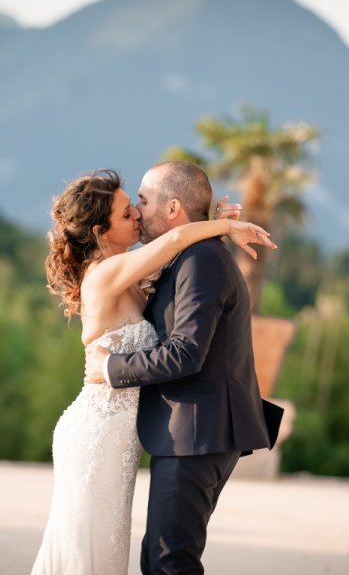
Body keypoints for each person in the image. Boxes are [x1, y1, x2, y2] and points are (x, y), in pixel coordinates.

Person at [31, 168, 276, 575]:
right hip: (99, 432)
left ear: (174, 207)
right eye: (130, 211)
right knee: (112, 553)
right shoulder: (110, 274)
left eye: (140, 204)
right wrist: (222, 225)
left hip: (172, 433)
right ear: (100, 231)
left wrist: (213, 226)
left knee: (152, 558)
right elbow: (178, 236)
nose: (139, 215)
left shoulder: (142, 270)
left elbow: (181, 246)